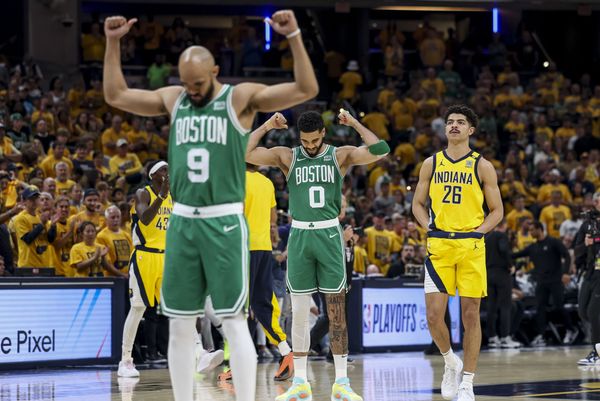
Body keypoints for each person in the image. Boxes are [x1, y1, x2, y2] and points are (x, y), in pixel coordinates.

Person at [103, 10, 318, 401]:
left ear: (216, 71)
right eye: (186, 83)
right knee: (181, 324)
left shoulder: (239, 98)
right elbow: (116, 96)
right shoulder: (175, 98)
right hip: (182, 221)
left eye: (199, 83)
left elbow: (305, 87)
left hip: (223, 222)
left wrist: (294, 36)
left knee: (234, 320)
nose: (193, 90)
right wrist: (113, 42)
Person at [246, 109, 390, 401]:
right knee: (299, 314)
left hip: (328, 235)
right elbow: (244, 152)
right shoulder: (288, 156)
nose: (310, 146)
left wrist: (354, 123)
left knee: (336, 312)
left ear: (323, 133)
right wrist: (266, 126)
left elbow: (380, 150)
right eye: (305, 141)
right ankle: (300, 381)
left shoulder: (340, 156)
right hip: (299, 235)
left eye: (314, 140)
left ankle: (342, 383)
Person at [412, 105, 503, 401]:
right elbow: (417, 204)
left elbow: (497, 211)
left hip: (470, 247)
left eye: (460, 122)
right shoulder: (431, 163)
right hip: (439, 246)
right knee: (434, 316)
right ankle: (451, 361)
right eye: (450, 122)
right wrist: (428, 226)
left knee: (470, 316)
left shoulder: (482, 165)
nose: (453, 126)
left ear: (470, 130)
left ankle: (468, 382)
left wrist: (479, 231)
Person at [117, 161, 171, 377]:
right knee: (138, 309)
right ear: (153, 174)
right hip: (144, 256)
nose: (168, 173)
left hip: (166, 257)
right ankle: (126, 361)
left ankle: (197, 352)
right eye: (164, 170)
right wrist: (161, 197)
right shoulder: (143, 193)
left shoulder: (173, 198)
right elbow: (146, 219)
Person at [244, 162, 293, 380]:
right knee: (263, 303)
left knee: (239, 307)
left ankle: (239, 364)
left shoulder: (235, 180)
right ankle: (286, 352)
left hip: (242, 248)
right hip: (264, 249)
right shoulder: (266, 183)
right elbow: (273, 219)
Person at [513, 220, 577, 347]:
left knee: (559, 306)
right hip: (541, 282)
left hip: (555, 281)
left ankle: (571, 330)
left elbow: (567, 256)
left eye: (532, 230)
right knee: (540, 308)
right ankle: (541, 335)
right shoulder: (533, 247)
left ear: (539, 229)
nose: (530, 232)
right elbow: (516, 255)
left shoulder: (553, 242)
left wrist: (565, 273)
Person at [485, 219, 520, 349]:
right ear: (504, 225)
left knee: (491, 307)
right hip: (501, 274)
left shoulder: (487, 238)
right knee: (506, 306)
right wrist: (510, 265)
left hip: (488, 274)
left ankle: (492, 338)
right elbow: (503, 249)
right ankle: (505, 337)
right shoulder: (502, 236)